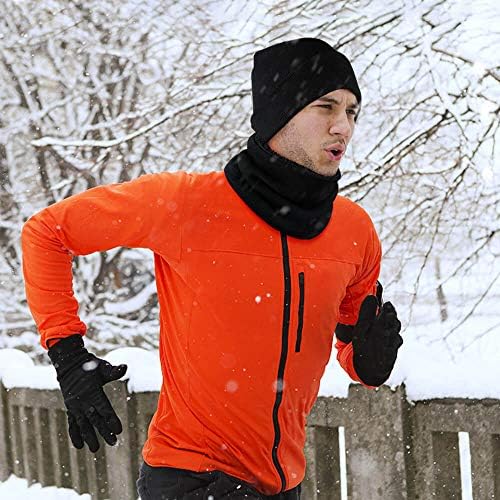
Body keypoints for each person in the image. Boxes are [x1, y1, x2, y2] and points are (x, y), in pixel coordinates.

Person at [21, 38, 403, 499]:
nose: (344, 126)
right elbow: (47, 232)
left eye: (353, 112)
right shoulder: (187, 205)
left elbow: (352, 338)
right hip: (191, 478)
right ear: (279, 113)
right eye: (326, 106)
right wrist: (67, 354)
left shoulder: (354, 230)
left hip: (284, 484)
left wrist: (367, 362)